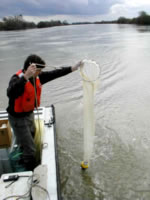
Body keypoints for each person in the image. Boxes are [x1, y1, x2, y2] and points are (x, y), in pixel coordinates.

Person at [7, 54, 82, 171]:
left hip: (29, 114)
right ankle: (30, 171)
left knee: (31, 136)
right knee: (30, 149)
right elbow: (11, 93)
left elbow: (55, 74)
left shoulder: (38, 77)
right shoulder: (17, 79)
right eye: (39, 70)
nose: (41, 73)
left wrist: (73, 68)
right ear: (30, 68)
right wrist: (25, 77)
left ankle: (25, 155)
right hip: (18, 119)